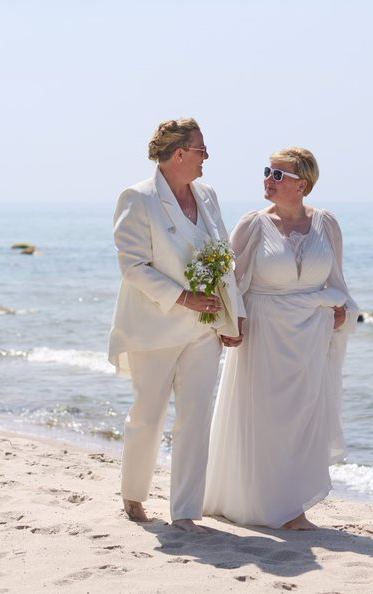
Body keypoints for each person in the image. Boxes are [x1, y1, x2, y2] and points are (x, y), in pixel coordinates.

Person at [204, 147, 358, 530]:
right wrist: (229, 324)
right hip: (264, 334)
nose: (267, 180)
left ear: (301, 184)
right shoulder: (253, 224)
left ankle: (291, 504)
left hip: (311, 339)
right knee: (264, 418)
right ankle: (264, 505)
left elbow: (337, 283)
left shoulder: (327, 224)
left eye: (278, 175)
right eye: (267, 172)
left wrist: (344, 313)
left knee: (303, 420)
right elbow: (231, 282)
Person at [108, 118, 244, 534]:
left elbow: (225, 258)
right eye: (202, 150)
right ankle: (133, 496)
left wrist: (232, 314)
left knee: (195, 417)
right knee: (147, 415)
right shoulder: (138, 197)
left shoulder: (208, 196)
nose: (207, 158)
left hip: (203, 327)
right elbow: (133, 266)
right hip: (154, 327)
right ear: (179, 153)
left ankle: (185, 511)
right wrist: (183, 297)